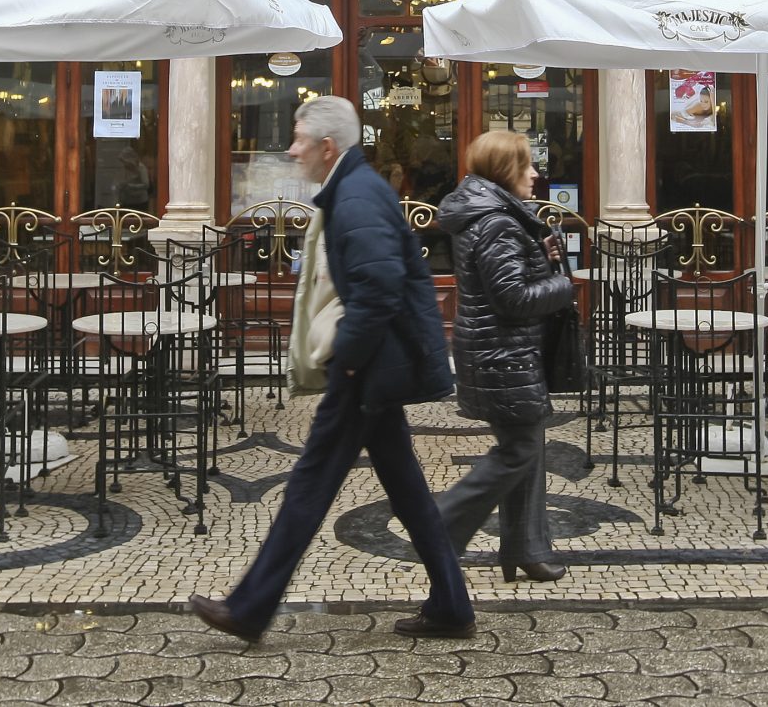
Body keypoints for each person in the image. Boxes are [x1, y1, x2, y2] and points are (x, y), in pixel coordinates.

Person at [190, 96, 474, 643]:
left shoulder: (359, 197)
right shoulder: (354, 189)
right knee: (407, 489)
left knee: (308, 485)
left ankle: (249, 608)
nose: (292, 150)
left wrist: (347, 358)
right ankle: (452, 605)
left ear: (327, 147)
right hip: (374, 366)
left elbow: (378, 286)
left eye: (298, 140)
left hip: (366, 369)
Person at [432, 131, 575, 583]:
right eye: (526, 166)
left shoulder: (493, 215)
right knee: (521, 448)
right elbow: (512, 297)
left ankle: (526, 549)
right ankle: (442, 523)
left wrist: (541, 254)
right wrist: (566, 287)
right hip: (503, 354)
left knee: (526, 448)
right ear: (504, 171)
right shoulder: (497, 221)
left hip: (499, 352)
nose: (535, 175)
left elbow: (506, 278)